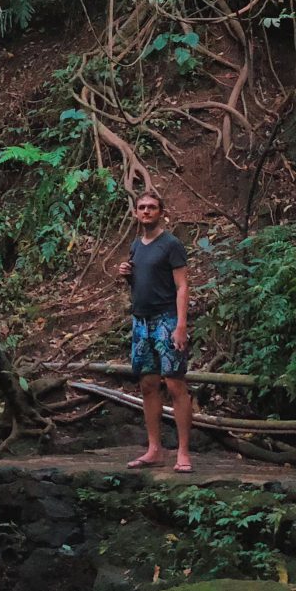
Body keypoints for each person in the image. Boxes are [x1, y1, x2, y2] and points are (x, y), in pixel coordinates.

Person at [116, 191, 192, 472]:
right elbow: (141, 283)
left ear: (161, 212)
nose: (146, 211)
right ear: (136, 213)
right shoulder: (136, 245)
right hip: (141, 321)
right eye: (142, 207)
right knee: (148, 384)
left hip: (167, 319)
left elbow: (182, 286)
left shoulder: (171, 244)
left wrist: (181, 325)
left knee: (174, 383)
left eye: (152, 207)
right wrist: (127, 276)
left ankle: (183, 452)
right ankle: (154, 450)